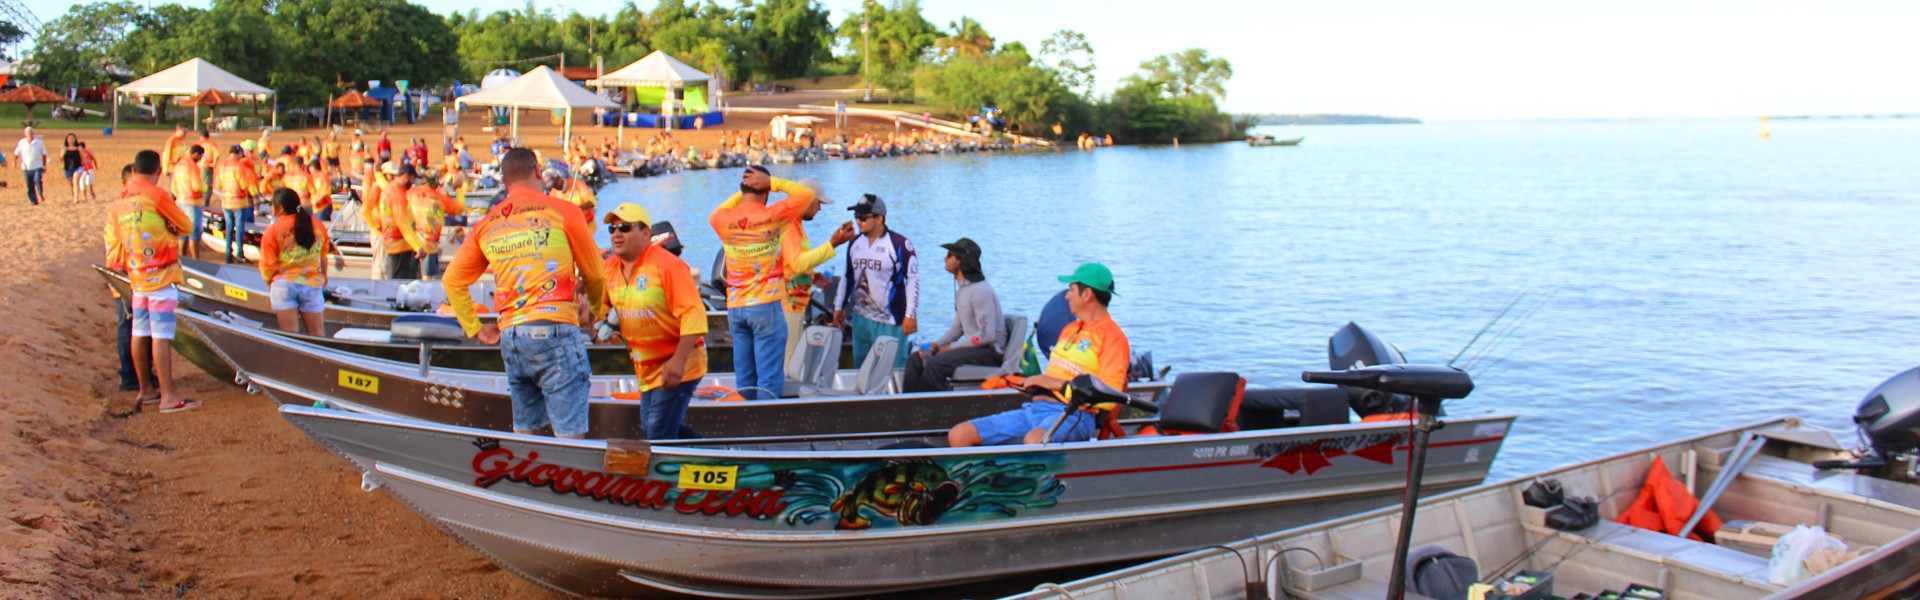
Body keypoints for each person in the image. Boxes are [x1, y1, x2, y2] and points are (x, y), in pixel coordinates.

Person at [442, 147, 607, 439]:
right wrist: (596, 310)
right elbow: (594, 274)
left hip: (513, 336)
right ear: (538, 172)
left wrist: (476, 329)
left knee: (526, 431)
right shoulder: (564, 212)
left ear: (504, 182)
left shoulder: (487, 223)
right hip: (554, 329)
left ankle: (525, 480)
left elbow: (452, 279)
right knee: (570, 436)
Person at [948, 263, 1128, 447]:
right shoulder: (1070, 329)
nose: (1067, 296)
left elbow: (1109, 397)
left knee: (1035, 440)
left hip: (1074, 414)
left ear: (1087, 294)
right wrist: (1013, 381)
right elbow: (1052, 378)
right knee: (960, 435)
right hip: (1035, 408)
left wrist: (1055, 384)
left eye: (1071, 290)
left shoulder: (1113, 337)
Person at [600, 203, 707, 440]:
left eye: (625, 227)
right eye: (612, 228)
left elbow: (694, 314)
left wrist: (678, 362)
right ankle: (711, 452)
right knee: (655, 427)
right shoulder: (608, 268)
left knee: (657, 433)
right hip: (645, 368)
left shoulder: (668, 265)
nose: (617, 233)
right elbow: (601, 310)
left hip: (680, 363)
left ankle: (689, 466)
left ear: (645, 233)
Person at [708, 165, 815, 399]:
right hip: (766, 305)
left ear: (741, 189)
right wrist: (772, 181)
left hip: (736, 307)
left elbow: (717, 211)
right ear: (765, 191)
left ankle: (746, 426)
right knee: (769, 379)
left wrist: (744, 189)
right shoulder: (774, 215)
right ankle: (765, 428)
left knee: (745, 378)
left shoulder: (722, 219)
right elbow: (806, 195)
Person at [105, 150, 198, 413]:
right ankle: (168, 396)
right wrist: (169, 227)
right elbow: (186, 226)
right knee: (161, 336)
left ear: (134, 170)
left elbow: (114, 241)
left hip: (136, 277)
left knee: (139, 331)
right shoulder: (157, 195)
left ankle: (145, 390)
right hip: (161, 275)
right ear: (158, 171)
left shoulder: (119, 200)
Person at [903, 238, 1005, 393]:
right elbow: (957, 329)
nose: (945, 258)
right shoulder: (963, 291)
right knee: (916, 359)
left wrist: (950, 348)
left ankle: (933, 410)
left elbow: (986, 336)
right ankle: (907, 405)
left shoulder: (980, 291)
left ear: (961, 260)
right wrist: (937, 344)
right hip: (973, 348)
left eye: (949, 254)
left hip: (989, 351)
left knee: (934, 364)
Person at [833, 194, 919, 368]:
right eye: (856, 217)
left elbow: (913, 280)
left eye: (863, 217)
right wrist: (838, 307)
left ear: (880, 218)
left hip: (890, 321)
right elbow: (847, 277)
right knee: (862, 371)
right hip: (861, 320)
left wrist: (911, 315)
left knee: (892, 373)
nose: (858, 221)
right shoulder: (855, 243)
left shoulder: (899, 244)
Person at [779, 178, 856, 363]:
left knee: (790, 361)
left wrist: (812, 277)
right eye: (818, 203)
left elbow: (790, 265)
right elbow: (797, 263)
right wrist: (833, 244)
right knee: (787, 364)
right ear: (805, 200)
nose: (819, 209)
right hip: (786, 305)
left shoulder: (795, 225)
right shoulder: (788, 226)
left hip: (794, 304)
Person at [258, 188, 331, 336]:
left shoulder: (273, 231)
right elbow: (323, 255)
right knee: (317, 335)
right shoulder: (317, 225)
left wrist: (269, 286)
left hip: (284, 285)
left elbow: (267, 267)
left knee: (290, 336)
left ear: (280, 208)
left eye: (272, 204)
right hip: (311, 284)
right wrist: (323, 276)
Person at [404, 169, 460, 277]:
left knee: (411, 277)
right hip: (429, 243)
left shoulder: (411, 194)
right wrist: (458, 190)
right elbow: (458, 208)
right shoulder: (438, 198)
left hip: (413, 242)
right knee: (428, 279)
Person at [214, 145, 262, 263]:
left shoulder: (222, 166)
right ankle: (239, 253)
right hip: (239, 203)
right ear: (238, 153)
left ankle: (228, 253)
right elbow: (245, 185)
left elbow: (218, 185)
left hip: (226, 202)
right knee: (239, 228)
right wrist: (256, 196)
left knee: (229, 227)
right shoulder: (239, 167)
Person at [380, 164, 425, 279]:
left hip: (395, 244)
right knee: (403, 285)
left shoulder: (391, 189)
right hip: (400, 247)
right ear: (405, 176)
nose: (413, 182)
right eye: (413, 178)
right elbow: (403, 223)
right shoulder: (397, 194)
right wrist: (418, 246)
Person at [170, 145, 209, 261]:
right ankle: (195, 260)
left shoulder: (178, 166)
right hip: (193, 203)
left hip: (181, 201)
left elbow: (173, 187)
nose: (201, 159)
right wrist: (206, 186)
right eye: (201, 156)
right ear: (195, 154)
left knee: (183, 232)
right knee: (194, 233)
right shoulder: (193, 167)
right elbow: (197, 186)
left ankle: (182, 259)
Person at [13, 127, 44, 205]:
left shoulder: (39, 142)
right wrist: (15, 162)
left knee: (37, 179)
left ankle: (40, 194)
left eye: (31, 132)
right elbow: (16, 153)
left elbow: (44, 154)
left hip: (37, 166)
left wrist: (44, 165)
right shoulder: (21, 142)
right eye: (28, 133)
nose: (30, 134)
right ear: (25, 134)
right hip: (26, 167)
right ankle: (33, 200)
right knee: (29, 185)